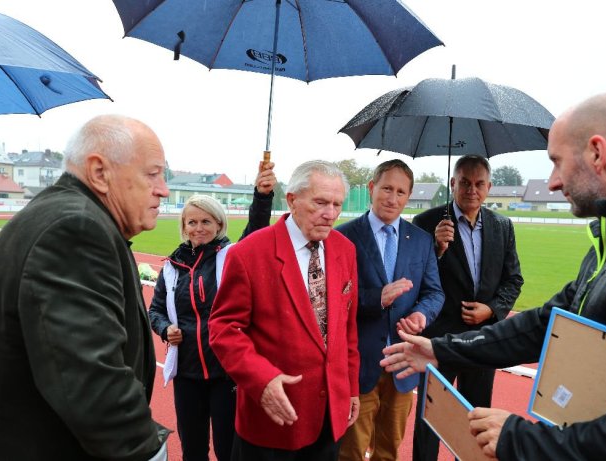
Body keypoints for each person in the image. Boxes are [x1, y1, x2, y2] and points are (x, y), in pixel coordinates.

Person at [381, 93, 606, 460]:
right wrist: (441, 349)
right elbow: (546, 323)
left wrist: (517, 439)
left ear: (597, 153)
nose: (551, 182)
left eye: (557, 162)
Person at [0, 115, 170, 460]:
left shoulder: (60, 214)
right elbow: (95, 388)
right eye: (152, 173)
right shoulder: (77, 228)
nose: (164, 189)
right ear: (99, 172)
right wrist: (148, 452)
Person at [209, 160, 360, 461]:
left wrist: (351, 387)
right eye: (320, 202)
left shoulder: (345, 249)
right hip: (273, 423)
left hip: (331, 416)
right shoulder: (248, 253)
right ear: (292, 199)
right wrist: (261, 379)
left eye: (336, 204)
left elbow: (347, 329)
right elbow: (223, 330)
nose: (330, 214)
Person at [148, 161, 276, 461]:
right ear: (183, 227)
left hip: (226, 373)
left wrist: (262, 196)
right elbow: (154, 310)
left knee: (228, 448)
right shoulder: (171, 266)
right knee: (193, 450)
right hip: (187, 374)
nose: (198, 228)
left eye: (206, 221)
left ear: (219, 224)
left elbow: (256, 233)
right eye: (191, 222)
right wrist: (165, 328)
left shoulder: (231, 257)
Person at [410, 155, 523, 461]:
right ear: (452, 183)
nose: (471, 190)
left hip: (483, 340)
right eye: (464, 182)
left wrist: (493, 310)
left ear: (489, 187)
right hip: (439, 339)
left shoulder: (502, 226)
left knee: (478, 419)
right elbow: (414, 279)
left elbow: (513, 280)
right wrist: (437, 249)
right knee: (429, 419)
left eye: (479, 184)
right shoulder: (426, 223)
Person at [335, 159, 444, 461]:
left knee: (388, 451)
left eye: (400, 192)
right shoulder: (343, 237)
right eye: (386, 189)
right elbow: (333, 299)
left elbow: (434, 292)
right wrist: (376, 299)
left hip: (403, 364)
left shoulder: (421, 241)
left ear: (409, 196)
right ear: (371, 188)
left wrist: (422, 314)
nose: (392, 198)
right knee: (351, 451)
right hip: (359, 364)